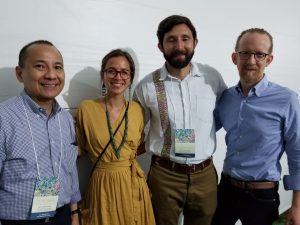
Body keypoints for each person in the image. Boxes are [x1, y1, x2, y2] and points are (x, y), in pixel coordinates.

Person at [133, 15, 227, 225]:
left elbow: (221, 116)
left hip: (205, 176)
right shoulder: (146, 86)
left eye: (185, 38)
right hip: (164, 176)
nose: (179, 46)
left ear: (195, 42)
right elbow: (136, 130)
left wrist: (204, 134)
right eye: (171, 39)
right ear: (160, 45)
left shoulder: (212, 78)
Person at [212, 28, 300, 225]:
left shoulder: (287, 99)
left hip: (262, 196)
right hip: (225, 190)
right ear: (235, 57)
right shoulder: (226, 98)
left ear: (269, 60)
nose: (251, 60)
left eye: (259, 54)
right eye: (245, 53)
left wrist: (297, 206)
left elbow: (297, 153)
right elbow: (204, 129)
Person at [0, 40, 81, 225]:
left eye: (58, 67)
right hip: (17, 220)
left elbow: (70, 171)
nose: (51, 75)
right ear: (20, 73)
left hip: (62, 216)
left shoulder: (66, 119)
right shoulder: (3, 117)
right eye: (40, 66)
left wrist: (74, 213)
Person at [75, 49, 155, 225]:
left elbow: (137, 145)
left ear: (131, 77)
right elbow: (77, 150)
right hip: (102, 185)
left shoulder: (137, 110)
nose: (118, 76)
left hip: (132, 184)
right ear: (103, 76)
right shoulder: (87, 109)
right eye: (111, 71)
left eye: (124, 72)